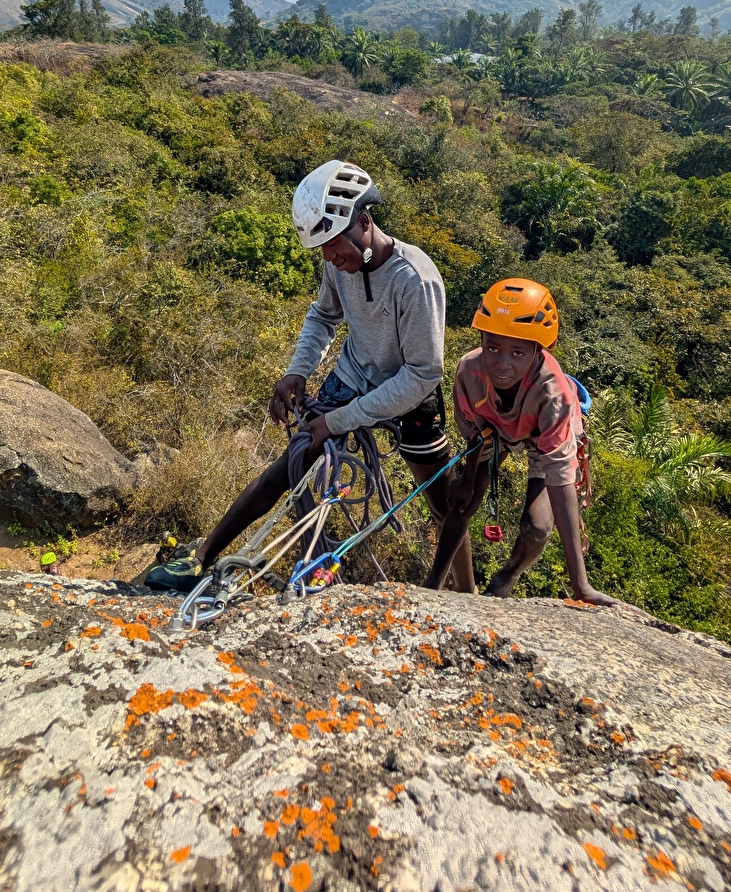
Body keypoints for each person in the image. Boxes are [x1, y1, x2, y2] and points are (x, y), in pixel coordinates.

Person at [147, 159, 475, 592]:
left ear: (363, 222)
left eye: (336, 249)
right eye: (324, 252)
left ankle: (467, 594)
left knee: (444, 501)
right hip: (355, 375)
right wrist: (297, 370)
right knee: (289, 467)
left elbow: (422, 374)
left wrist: (337, 421)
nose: (332, 260)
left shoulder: (415, 280)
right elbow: (324, 315)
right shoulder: (338, 262)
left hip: (409, 393)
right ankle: (202, 557)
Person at [423, 278, 616, 605]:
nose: (502, 364)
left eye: (518, 352)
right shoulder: (470, 372)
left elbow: (559, 478)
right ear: (481, 340)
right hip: (495, 430)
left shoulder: (553, 395)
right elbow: (476, 433)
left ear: (538, 351)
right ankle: (432, 585)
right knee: (460, 504)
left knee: (537, 526)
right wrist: (468, 480)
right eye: (492, 348)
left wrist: (580, 586)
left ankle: (507, 577)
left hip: (543, 435)